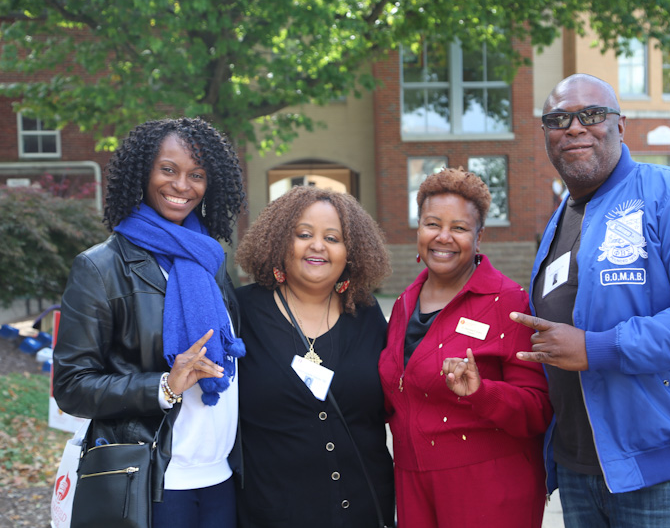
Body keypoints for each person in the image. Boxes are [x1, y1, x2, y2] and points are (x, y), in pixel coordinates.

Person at [511, 74, 670, 528]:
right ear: (545, 134)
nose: (574, 127)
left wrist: (599, 348)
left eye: (591, 115)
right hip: (583, 471)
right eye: (558, 119)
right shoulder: (562, 218)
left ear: (620, 125)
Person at [53, 117, 247, 528]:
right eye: (168, 170)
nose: (182, 185)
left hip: (221, 478)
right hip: (151, 481)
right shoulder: (101, 268)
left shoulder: (209, 259)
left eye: (197, 175)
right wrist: (163, 386)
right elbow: (71, 387)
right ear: (143, 173)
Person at [379, 167, 553, 528]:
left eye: (458, 227)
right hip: (412, 482)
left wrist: (482, 392)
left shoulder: (508, 301)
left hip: (488, 487)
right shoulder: (403, 303)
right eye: (432, 224)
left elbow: (539, 410)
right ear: (418, 229)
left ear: (479, 236)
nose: (443, 237)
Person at [234, 186, 395, 527]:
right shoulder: (241, 312)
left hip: (363, 511)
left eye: (332, 238)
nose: (318, 245)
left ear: (351, 252)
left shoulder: (366, 313)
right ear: (279, 242)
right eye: (304, 234)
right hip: (272, 514)